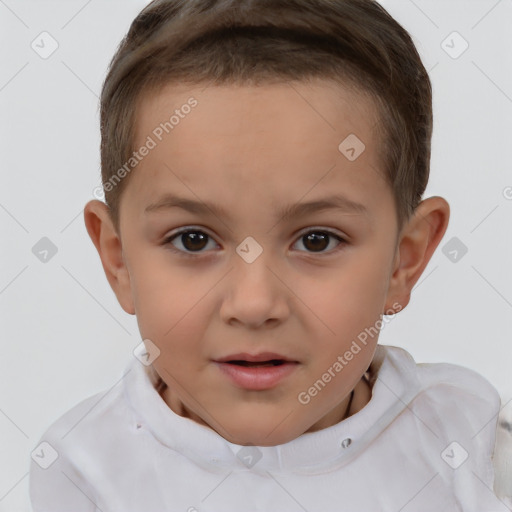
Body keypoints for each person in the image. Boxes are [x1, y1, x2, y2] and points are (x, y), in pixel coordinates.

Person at [29, 0, 506, 510]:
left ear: (403, 261)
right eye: (193, 239)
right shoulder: (86, 469)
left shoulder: (469, 441)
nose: (254, 304)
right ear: (118, 259)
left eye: (317, 240)